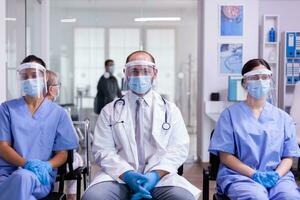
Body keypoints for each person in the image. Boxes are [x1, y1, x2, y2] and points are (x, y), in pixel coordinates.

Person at [82, 50, 200, 200]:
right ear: (126, 73)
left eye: (145, 71)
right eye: (134, 71)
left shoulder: (170, 110)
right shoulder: (109, 111)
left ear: (155, 73)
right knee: (94, 198)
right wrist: (127, 174)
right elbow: (102, 150)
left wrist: (155, 175)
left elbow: (178, 148)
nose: (139, 76)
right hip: (118, 176)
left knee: (183, 198)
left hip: (159, 177)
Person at [209, 58, 300, 200]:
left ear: (270, 80)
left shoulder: (283, 118)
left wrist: (276, 175)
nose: (260, 81)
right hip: (240, 176)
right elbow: (225, 156)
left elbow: (288, 156)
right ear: (245, 82)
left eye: (264, 76)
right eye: (254, 77)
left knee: (290, 196)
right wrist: (254, 174)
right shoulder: (229, 115)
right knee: (255, 197)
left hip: (278, 176)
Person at [0, 55, 78, 200]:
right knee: (23, 182)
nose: (29, 80)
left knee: (24, 177)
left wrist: (47, 166)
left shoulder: (58, 113)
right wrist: (26, 163)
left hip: (40, 178)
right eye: (24, 76)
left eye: (34, 75)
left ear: (44, 77)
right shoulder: (6, 109)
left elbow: (63, 153)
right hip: (7, 177)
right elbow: (2, 146)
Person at [46, 70, 84, 200]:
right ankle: (71, 197)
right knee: (77, 158)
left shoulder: (27, 111)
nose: (59, 88)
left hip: (32, 162)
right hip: (55, 165)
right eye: (58, 85)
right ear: (51, 89)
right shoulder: (60, 112)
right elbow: (74, 143)